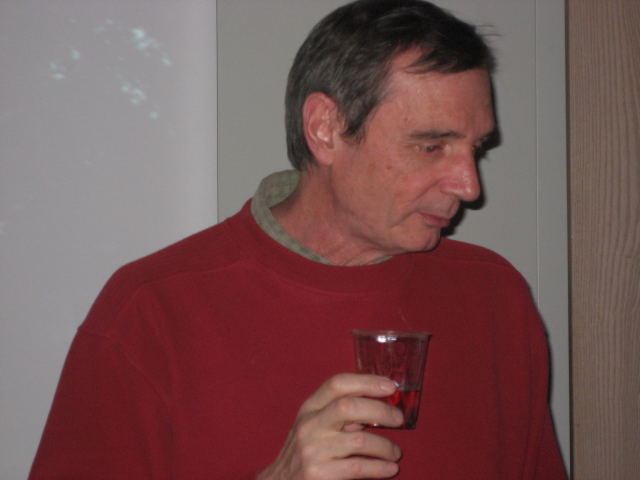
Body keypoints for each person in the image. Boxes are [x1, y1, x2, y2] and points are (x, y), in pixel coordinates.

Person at [30, 0, 567, 478]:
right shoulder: (151, 310)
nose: (469, 187)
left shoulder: (495, 296)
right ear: (324, 128)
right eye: (431, 146)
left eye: (476, 148)